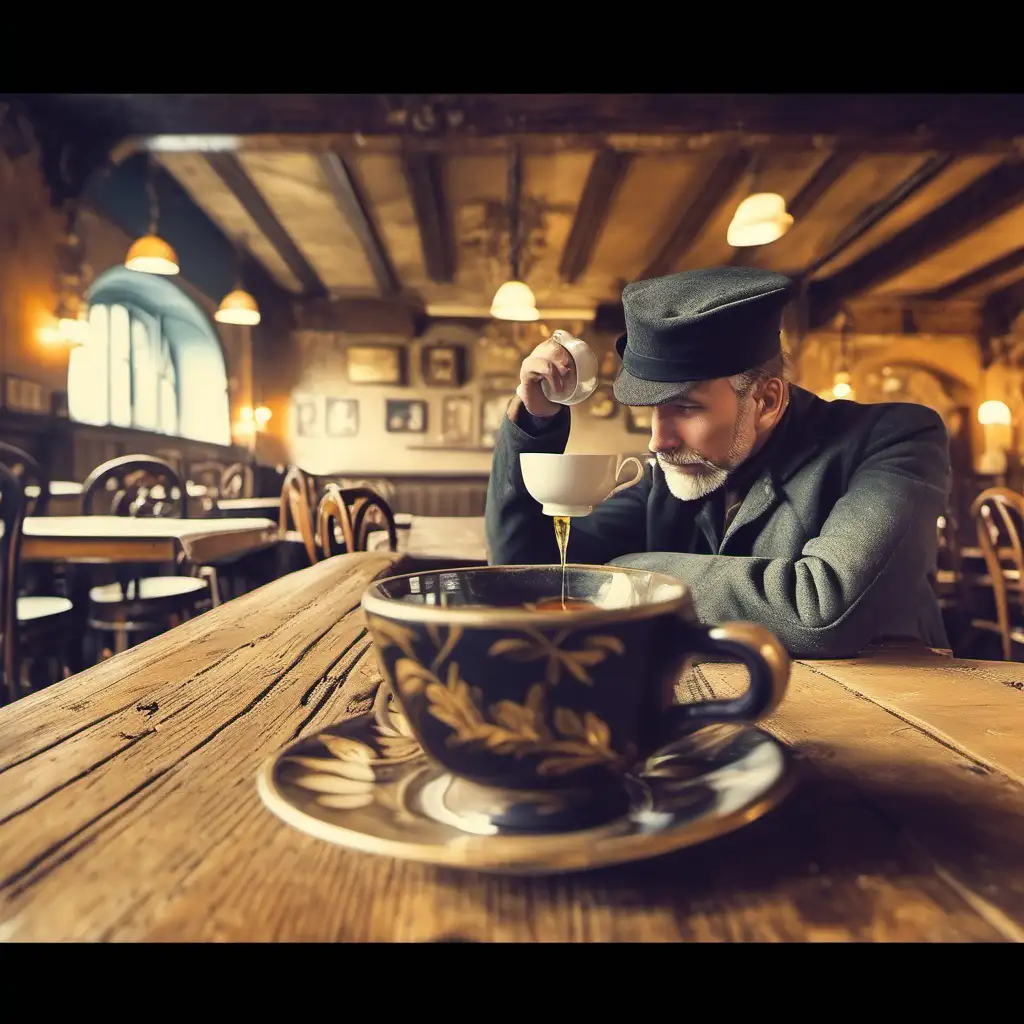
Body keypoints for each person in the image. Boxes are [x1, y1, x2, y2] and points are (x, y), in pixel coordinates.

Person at [484, 267, 951, 658]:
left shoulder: (897, 438)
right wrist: (535, 421)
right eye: (651, 412)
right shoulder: (674, 475)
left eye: (686, 408)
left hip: (899, 726)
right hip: (729, 710)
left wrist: (626, 574)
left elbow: (823, 609)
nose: (658, 441)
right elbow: (527, 569)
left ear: (766, 399)